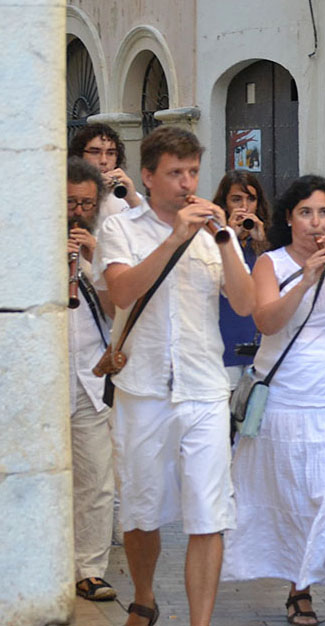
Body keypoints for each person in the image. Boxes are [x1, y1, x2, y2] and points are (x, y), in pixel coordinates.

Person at [93, 126, 255, 626]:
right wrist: (175, 237)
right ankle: (144, 597)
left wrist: (225, 240)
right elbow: (122, 292)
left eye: (192, 172)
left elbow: (246, 304)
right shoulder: (122, 228)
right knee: (140, 511)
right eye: (175, 173)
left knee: (209, 514)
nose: (187, 183)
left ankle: (199, 622)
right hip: (142, 389)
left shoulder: (213, 236)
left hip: (204, 388)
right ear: (148, 175)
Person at [222, 175, 325, 626]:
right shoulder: (270, 263)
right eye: (306, 213)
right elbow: (266, 321)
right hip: (287, 405)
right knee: (298, 502)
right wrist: (305, 280)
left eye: (324, 212)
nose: (315, 222)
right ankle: (300, 589)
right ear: (289, 218)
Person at [67, 157, 118, 602]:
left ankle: (90, 569)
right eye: (70, 202)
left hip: (87, 378)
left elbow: (115, 310)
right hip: (40, 381)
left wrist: (91, 259)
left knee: (97, 479)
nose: (77, 211)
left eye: (86, 203)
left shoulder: (99, 250)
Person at [211, 170, 271, 388]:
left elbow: (273, 287)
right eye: (237, 199)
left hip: (260, 346)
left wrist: (262, 244)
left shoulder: (268, 241)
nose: (244, 207)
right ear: (225, 203)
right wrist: (229, 238)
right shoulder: (212, 239)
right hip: (225, 345)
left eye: (251, 199)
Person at [69, 123, 144, 220]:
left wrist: (133, 200)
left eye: (110, 153)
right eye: (95, 152)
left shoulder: (130, 196)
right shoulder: (64, 194)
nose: (104, 161)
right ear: (79, 156)